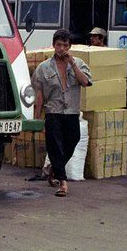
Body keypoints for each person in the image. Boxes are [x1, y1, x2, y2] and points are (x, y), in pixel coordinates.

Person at [32, 29, 92, 197]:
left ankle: (53, 170)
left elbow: (85, 82)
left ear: (69, 46)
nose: (61, 49)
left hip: (71, 111)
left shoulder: (78, 63)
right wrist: (37, 117)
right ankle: (63, 182)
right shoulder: (43, 67)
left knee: (72, 141)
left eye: (65, 45)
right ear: (53, 45)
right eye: (59, 45)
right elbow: (39, 94)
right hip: (53, 112)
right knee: (55, 147)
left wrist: (72, 63)